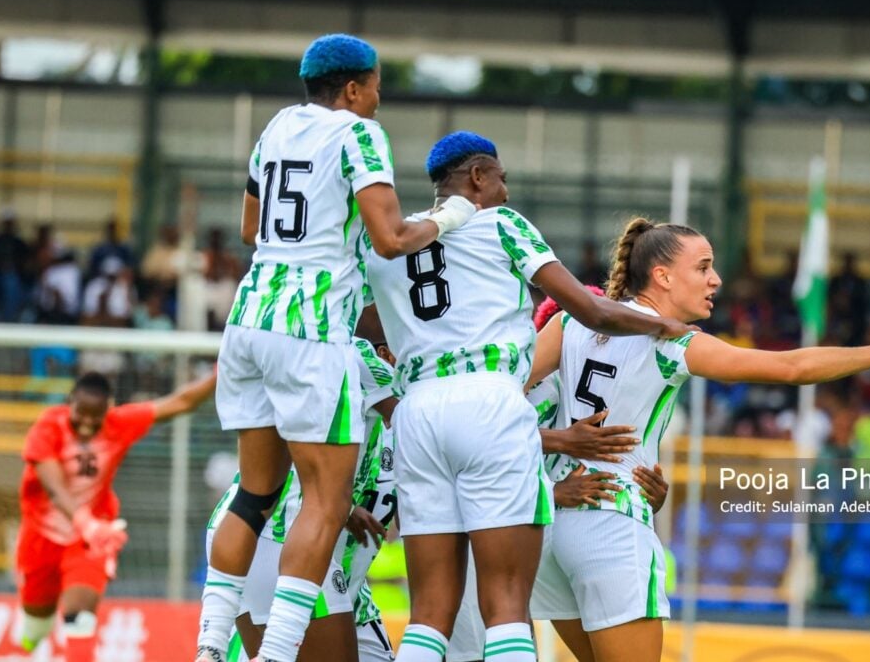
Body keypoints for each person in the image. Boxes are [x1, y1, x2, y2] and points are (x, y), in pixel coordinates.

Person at [526, 217, 870, 662]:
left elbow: (501, 403)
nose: (715, 279)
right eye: (703, 267)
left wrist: (555, 440)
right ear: (662, 276)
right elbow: (791, 368)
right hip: (611, 520)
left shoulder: (567, 324)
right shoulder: (670, 342)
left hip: (549, 526)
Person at [196, 33, 476, 662]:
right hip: (311, 328)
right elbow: (390, 238)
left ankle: (210, 646)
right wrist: (452, 216)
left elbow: (250, 225)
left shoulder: (275, 128)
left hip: (248, 317)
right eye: (376, 86)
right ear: (353, 89)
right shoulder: (357, 134)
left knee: (255, 492)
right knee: (325, 501)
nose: (379, 99)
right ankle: (277, 654)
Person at [367, 131, 691, 662]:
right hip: (490, 402)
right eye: (501, 178)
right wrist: (667, 327)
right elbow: (593, 311)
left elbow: (362, 322)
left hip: (417, 412)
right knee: (506, 605)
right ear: (476, 175)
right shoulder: (503, 225)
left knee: (429, 613)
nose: (507, 192)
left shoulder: (388, 244)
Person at [446, 290, 669, 662]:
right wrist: (555, 482)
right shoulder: (525, 384)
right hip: (481, 541)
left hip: (537, 540)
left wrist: (648, 491)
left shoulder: (589, 391)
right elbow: (477, 443)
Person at [207, 336, 398, 662]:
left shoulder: (381, 431)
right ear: (386, 354)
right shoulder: (353, 357)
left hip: (340, 579)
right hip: (282, 536)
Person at [17, 370, 217, 662]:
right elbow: (54, 488)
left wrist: (222, 369)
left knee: (80, 619)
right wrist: (84, 522)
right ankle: (34, 631)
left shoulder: (119, 424)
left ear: (108, 408)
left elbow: (181, 402)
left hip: (92, 539)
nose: (86, 424)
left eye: (94, 416)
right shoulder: (49, 426)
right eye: (80, 414)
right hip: (42, 536)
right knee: (36, 620)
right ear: (70, 402)